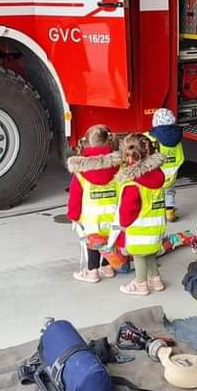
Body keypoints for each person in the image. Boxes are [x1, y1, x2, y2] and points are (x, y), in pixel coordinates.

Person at [66, 124, 121, 284]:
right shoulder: (118, 167)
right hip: (113, 215)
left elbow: (75, 197)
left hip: (91, 219)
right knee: (109, 241)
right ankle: (108, 267)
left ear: (86, 146)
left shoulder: (81, 173)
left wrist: (73, 216)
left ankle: (92, 272)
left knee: (93, 244)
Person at [115, 134, 167, 296]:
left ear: (129, 157)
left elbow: (129, 208)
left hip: (138, 228)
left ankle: (140, 284)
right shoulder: (158, 175)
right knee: (150, 252)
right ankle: (156, 279)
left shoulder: (133, 183)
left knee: (138, 255)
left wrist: (123, 224)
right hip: (157, 225)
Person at [145, 108, 184, 222]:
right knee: (169, 190)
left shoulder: (150, 136)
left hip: (157, 171)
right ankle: (169, 212)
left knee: (154, 191)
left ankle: (154, 210)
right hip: (172, 171)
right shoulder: (178, 136)